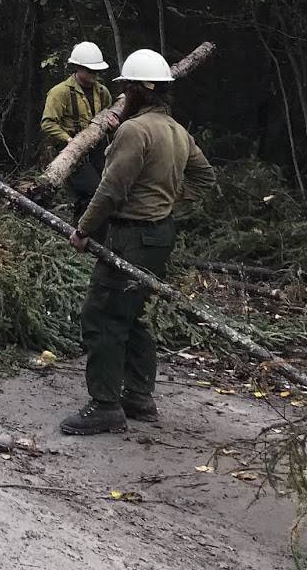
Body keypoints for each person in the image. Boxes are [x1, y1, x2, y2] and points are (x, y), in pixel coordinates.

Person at [61, 48, 215, 436]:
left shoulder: (134, 130)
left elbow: (110, 190)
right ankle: (139, 397)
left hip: (130, 236)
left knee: (103, 316)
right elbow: (204, 179)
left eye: (127, 87)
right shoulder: (178, 131)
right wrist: (168, 203)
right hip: (159, 237)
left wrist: (82, 230)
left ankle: (106, 405)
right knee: (136, 315)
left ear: (136, 90)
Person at [41, 41, 114, 220]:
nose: (94, 75)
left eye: (97, 71)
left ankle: (98, 238)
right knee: (92, 193)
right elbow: (48, 123)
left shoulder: (103, 92)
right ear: (77, 67)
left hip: (97, 149)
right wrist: (67, 139)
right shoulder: (59, 93)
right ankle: (81, 235)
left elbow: (110, 116)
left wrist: (113, 125)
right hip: (71, 152)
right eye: (90, 70)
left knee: (108, 190)